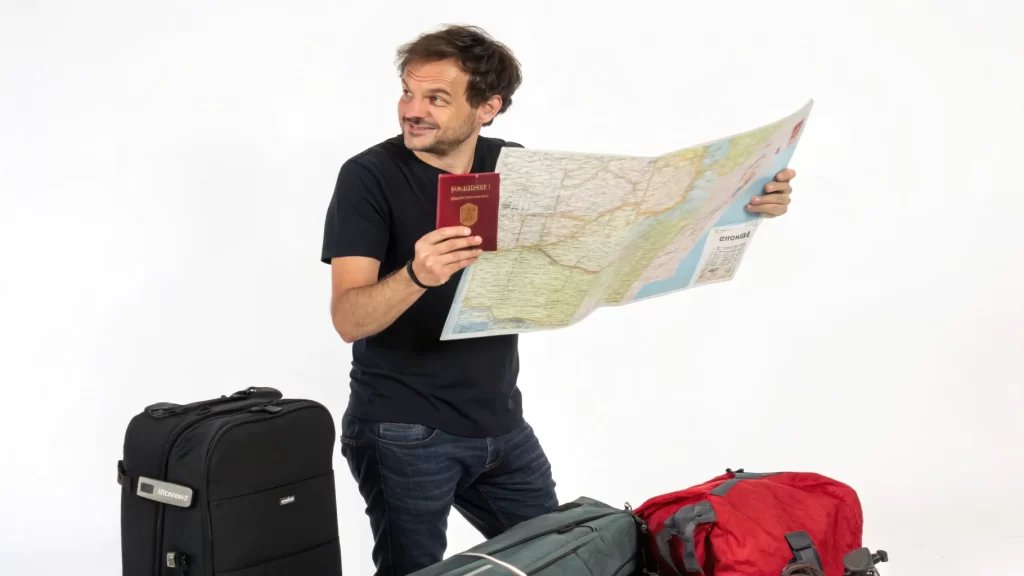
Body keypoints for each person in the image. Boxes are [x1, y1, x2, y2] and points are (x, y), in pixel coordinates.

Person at [320, 24, 797, 576]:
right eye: (408, 91)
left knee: (561, 560)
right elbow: (348, 319)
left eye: (436, 98)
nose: (412, 109)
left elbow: (626, 234)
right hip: (403, 430)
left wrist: (742, 204)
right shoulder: (368, 177)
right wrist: (416, 275)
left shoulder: (513, 167)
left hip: (500, 423)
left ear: (488, 108)